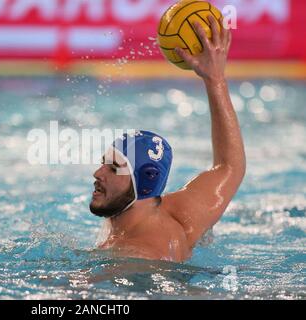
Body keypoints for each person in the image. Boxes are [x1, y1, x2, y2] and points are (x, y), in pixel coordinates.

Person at [89, 16, 246, 262]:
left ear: (145, 182)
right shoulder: (184, 211)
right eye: (103, 162)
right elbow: (230, 166)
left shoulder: (137, 256)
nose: (98, 173)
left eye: (113, 168)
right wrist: (215, 80)